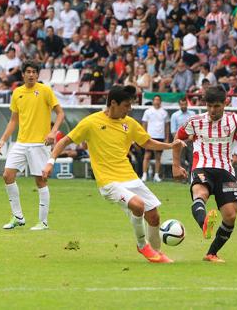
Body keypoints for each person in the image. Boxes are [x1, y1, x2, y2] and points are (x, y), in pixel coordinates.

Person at [42, 85, 185, 263]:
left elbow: (146, 142)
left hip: (130, 177)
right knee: (138, 206)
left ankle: (156, 253)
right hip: (108, 182)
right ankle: (142, 246)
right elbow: (64, 141)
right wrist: (50, 162)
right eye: (126, 105)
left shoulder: (129, 123)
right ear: (113, 103)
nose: (130, 109)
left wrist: (170, 146)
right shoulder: (91, 122)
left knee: (153, 216)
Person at [172, 87, 237, 263]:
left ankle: (211, 254)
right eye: (209, 106)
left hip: (225, 170)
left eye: (216, 106)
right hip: (202, 167)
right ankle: (205, 223)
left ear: (225, 103)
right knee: (200, 193)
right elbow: (177, 139)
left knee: (230, 215)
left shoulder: (235, 120)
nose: (212, 110)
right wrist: (176, 165)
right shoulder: (195, 121)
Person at [0, 60, 65, 231]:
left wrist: (52, 132)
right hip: (21, 142)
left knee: (40, 181)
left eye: (34, 72)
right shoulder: (17, 93)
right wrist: (3, 139)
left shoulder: (45, 90)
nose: (31, 74)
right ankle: (18, 217)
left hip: (39, 144)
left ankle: (43, 222)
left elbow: (60, 113)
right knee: (7, 175)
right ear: (23, 74)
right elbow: (13, 120)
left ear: (38, 74)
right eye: (28, 71)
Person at [141, 95, 169, 182]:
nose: (157, 101)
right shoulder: (148, 111)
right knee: (147, 156)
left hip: (160, 136)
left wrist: (166, 138)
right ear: (153, 101)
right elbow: (144, 124)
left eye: (158, 100)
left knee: (158, 157)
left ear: (160, 101)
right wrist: (144, 135)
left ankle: (156, 175)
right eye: (155, 100)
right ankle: (144, 175)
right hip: (150, 136)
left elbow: (167, 125)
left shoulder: (164, 112)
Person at [170, 98, 196, 174]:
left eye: (185, 104)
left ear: (187, 104)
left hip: (191, 140)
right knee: (181, 160)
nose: (183, 106)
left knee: (192, 160)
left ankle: (191, 178)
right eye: (182, 104)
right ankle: (183, 177)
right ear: (179, 105)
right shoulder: (175, 115)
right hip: (180, 140)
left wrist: (191, 136)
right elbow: (173, 130)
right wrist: (178, 140)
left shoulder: (192, 114)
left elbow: (195, 127)